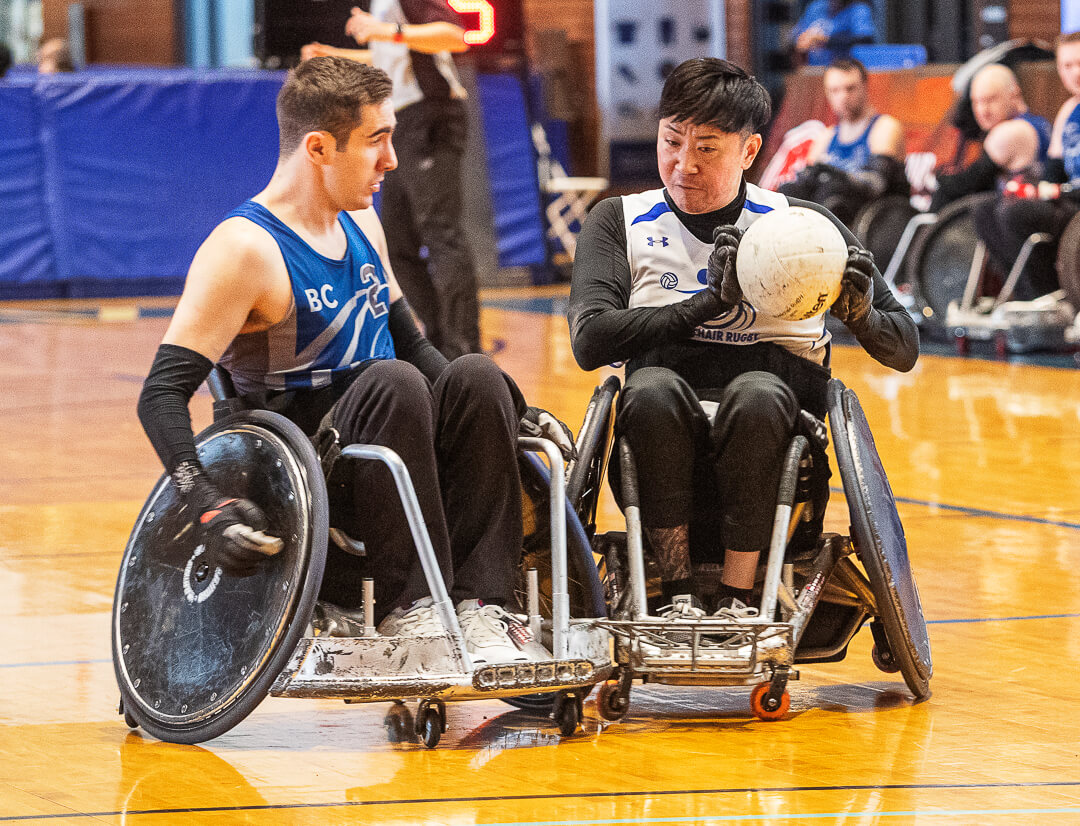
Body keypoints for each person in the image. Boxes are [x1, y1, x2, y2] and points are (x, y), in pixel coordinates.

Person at [136, 57, 568, 665]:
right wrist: (206, 502)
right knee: (392, 382)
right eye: (377, 141)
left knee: (474, 374)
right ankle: (410, 608)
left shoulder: (362, 222)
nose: (391, 161)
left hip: (401, 451)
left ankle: (481, 608)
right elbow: (160, 394)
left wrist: (512, 411)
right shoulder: (244, 250)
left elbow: (414, 344)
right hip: (313, 482)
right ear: (319, 148)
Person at [568, 58, 918, 619]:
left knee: (757, 392)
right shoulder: (619, 221)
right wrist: (708, 303)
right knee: (651, 388)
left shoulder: (803, 228)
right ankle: (678, 594)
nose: (683, 165)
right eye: (671, 141)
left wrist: (861, 315)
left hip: (776, 439)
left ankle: (738, 596)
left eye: (706, 148)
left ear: (750, 152)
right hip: (661, 429)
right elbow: (591, 342)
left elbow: (904, 347)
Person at [306, 1, 481, 361]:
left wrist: (384, 30)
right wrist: (334, 58)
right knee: (396, 244)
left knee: (441, 234)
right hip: (401, 123)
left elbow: (455, 36)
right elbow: (388, 60)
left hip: (430, 116)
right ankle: (438, 338)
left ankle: (464, 348)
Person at [971, 32, 1080, 301]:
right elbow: (1053, 173)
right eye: (1067, 66)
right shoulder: (1068, 110)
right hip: (1070, 202)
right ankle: (1023, 296)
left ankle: (1047, 295)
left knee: (1018, 214)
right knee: (984, 209)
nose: (1075, 72)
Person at [779, 57, 907, 225]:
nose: (843, 97)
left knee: (832, 191)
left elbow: (876, 184)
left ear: (865, 87)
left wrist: (834, 175)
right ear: (827, 92)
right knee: (789, 192)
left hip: (878, 220)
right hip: (835, 211)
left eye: (850, 88)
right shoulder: (827, 136)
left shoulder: (884, 127)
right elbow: (806, 182)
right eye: (835, 90)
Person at [930, 63, 1051, 212]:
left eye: (990, 100)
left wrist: (937, 175)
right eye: (976, 102)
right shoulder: (1037, 122)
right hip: (1022, 213)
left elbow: (965, 185)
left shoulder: (1009, 132)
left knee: (947, 193)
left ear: (1014, 95)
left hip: (1025, 215)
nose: (982, 110)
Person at [790, 0, 877, 67]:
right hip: (815, 71)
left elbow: (865, 39)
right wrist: (800, 42)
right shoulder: (816, 7)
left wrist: (825, 40)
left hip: (845, 71)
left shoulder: (858, 9)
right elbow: (795, 36)